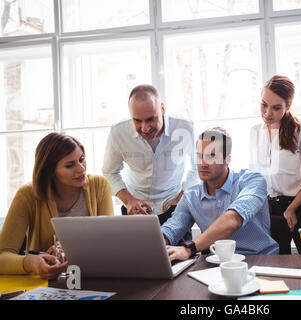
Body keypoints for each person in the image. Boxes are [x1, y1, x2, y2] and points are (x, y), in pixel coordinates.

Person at [0, 132, 113, 279]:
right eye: (70, 165)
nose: (81, 169)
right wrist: (31, 263)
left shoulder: (99, 185)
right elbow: (2, 257)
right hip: (46, 284)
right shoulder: (26, 194)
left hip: (93, 277)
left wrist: (72, 245)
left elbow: (108, 241)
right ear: (50, 171)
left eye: (81, 159)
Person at [162, 127, 279, 261]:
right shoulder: (190, 196)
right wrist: (152, 243)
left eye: (211, 156)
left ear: (227, 159)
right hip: (216, 265)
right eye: (199, 156)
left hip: (260, 261)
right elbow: (172, 228)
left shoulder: (252, 181)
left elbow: (233, 220)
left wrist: (189, 249)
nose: (203, 163)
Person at [102, 84, 199, 228]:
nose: (145, 128)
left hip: (175, 207)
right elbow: (109, 172)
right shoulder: (118, 132)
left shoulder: (185, 127)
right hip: (135, 208)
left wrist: (182, 196)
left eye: (150, 119)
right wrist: (128, 200)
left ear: (162, 109)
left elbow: (197, 166)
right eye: (137, 120)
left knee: (179, 251)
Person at [249, 75, 301, 254]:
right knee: (277, 268)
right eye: (264, 104)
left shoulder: (300, 130)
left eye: (276, 108)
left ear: (288, 106)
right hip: (273, 211)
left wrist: (292, 208)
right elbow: (255, 176)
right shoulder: (255, 132)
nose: (268, 113)